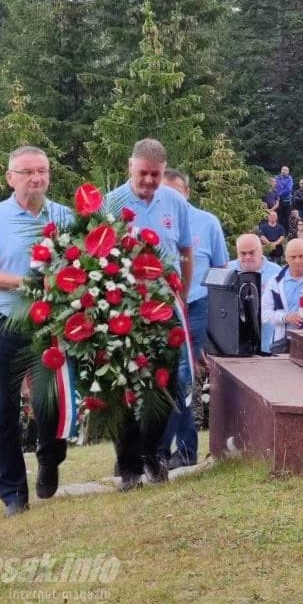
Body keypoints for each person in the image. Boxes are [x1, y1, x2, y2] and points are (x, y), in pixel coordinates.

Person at [0, 145, 73, 516]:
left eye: (42, 170)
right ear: (10, 177)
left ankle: (49, 457)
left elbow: (87, 264)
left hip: (51, 325)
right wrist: (23, 283)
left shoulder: (64, 216)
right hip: (2, 325)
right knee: (0, 408)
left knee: (51, 403)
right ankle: (13, 494)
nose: (36, 178)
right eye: (27, 172)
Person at [106, 139, 193, 490]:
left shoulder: (175, 201)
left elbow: (186, 251)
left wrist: (182, 296)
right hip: (123, 306)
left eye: (155, 175)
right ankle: (128, 467)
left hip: (164, 305)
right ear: (131, 167)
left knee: (166, 384)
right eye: (143, 174)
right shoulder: (112, 202)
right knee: (123, 388)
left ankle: (154, 454)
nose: (148, 181)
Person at [158, 168, 228, 470]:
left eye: (176, 191)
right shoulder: (155, 221)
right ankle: (168, 450)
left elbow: (222, 269)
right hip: (158, 309)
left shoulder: (207, 222)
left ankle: (173, 450)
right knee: (161, 377)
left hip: (196, 307)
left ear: (187, 192)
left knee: (184, 376)